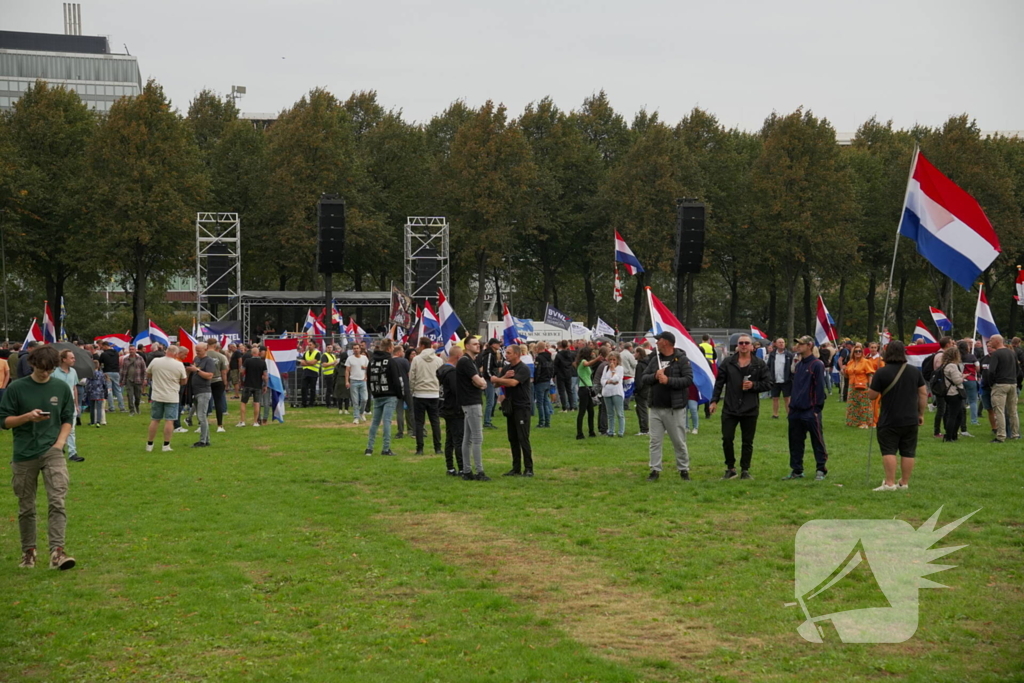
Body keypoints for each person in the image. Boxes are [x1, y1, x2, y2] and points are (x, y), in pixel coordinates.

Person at [0, 345, 76, 570]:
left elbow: (67, 418)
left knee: (57, 501)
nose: (46, 373)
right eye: (42, 369)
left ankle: (57, 553)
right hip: (24, 454)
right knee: (26, 506)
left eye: (50, 370)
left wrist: (59, 444)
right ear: (32, 364)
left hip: (52, 452)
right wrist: (26, 417)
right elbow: (4, 421)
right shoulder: (17, 388)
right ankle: (28, 552)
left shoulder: (61, 387)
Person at [709, 334, 772, 480]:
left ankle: (745, 470)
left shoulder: (759, 364)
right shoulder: (728, 362)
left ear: (751, 346)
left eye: (746, 343)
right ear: (737, 346)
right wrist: (714, 401)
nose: (743, 345)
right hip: (730, 407)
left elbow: (769, 383)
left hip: (750, 408)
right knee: (727, 438)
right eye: (741, 343)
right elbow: (719, 383)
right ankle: (730, 468)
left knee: (747, 441)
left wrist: (754, 385)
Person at [868, 341, 927, 491]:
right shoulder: (914, 371)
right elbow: (923, 394)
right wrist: (921, 413)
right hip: (910, 417)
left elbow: (872, 396)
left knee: (889, 450)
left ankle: (889, 483)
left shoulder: (882, 372)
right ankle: (904, 483)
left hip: (889, 418)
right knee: (908, 451)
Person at [639, 332, 693, 482]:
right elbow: (644, 378)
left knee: (678, 441)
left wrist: (668, 380)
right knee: (654, 441)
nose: (656, 343)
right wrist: (655, 376)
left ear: (667, 343)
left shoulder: (681, 360)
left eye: (659, 340)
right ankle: (655, 470)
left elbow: (688, 380)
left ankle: (683, 469)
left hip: (674, 408)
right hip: (655, 406)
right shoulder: (655, 359)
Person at [783, 336, 828, 481]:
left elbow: (820, 388)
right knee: (795, 441)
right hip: (795, 410)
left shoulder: (817, 364)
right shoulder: (799, 364)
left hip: (810, 410)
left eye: (801, 344)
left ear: (809, 345)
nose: (798, 346)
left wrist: (816, 409)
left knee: (817, 440)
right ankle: (797, 470)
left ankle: (821, 469)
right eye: (797, 343)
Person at [492, 343, 534, 477]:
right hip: (510, 406)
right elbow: (496, 384)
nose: (506, 355)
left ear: (517, 354)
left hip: (522, 406)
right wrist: (502, 377)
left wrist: (498, 379)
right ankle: (516, 468)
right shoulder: (506, 368)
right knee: (512, 438)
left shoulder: (523, 369)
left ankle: (529, 468)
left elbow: (513, 383)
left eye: (509, 353)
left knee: (523, 437)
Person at [457, 337, 489, 480]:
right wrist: (481, 383)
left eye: (479, 344)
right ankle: (479, 471)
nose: (478, 346)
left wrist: (481, 383)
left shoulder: (471, 361)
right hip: (471, 401)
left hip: (470, 401)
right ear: (467, 346)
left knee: (468, 438)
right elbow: (479, 381)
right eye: (475, 344)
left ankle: (467, 470)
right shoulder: (466, 361)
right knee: (477, 438)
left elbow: (481, 382)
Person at [364, 339, 402, 457]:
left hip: (377, 394)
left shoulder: (372, 361)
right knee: (387, 421)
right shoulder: (390, 361)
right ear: (390, 348)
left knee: (375, 422)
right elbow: (396, 380)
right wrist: (399, 394)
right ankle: (386, 448)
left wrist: (373, 392)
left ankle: (369, 448)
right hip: (389, 394)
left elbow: (369, 378)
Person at [409, 337, 444, 456]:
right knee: (435, 422)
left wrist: (412, 389)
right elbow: (442, 376)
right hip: (434, 393)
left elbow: (412, 376)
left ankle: (420, 448)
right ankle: (438, 447)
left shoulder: (416, 359)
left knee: (419, 422)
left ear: (422, 345)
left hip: (419, 393)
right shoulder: (438, 360)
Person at [985, 335, 1021, 443]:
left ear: (996, 341)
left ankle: (1001, 435)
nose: (990, 342)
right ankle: (1015, 434)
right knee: (1013, 411)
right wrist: (1014, 380)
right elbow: (1018, 369)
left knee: (999, 411)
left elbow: (991, 371)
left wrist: (991, 383)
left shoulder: (996, 354)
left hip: (1000, 384)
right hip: (1012, 383)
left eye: (991, 340)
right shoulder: (1012, 352)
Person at [437, 346, 465, 476]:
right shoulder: (453, 373)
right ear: (458, 357)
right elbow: (457, 391)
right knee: (458, 439)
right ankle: (462, 468)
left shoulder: (442, 370)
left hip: (445, 407)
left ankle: (450, 467)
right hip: (455, 409)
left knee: (450, 439)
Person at [52, 349, 84, 462]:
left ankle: (72, 453)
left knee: (71, 429)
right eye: (71, 358)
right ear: (64, 359)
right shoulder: (54, 372)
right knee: (57, 428)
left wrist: (76, 404)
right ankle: (57, 449)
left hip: (70, 405)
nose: (74, 359)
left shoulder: (73, 372)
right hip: (57, 405)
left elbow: (74, 387)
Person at [187, 343, 216, 448]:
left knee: (201, 416)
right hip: (195, 390)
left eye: (199, 350)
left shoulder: (209, 361)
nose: (197, 352)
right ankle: (206, 439)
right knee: (201, 416)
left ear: (206, 349)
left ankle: (203, 441)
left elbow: (209, 376)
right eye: (196, 350)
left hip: (204, 391)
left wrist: (197, 370)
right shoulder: (196, 359)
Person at [843, 344, 876, 429]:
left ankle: (864, 422)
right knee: (852, 405)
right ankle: (853, 422)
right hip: (851, 386)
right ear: (853, 353)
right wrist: (843, 371)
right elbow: (847, 375)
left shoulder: (866, 361)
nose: (858, 353)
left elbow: (870, 374)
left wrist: (870, 386)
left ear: (862, 352)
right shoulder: (850, 362)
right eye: (856, 351)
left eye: (859, 351)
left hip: (862, 385)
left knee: (864, 404)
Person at [938, 345, 965, 442]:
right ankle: (950, 436)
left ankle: (952, 434)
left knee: (956, 414)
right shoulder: (952, 366)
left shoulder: (944, 365)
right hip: (954, 392)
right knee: (954, 415)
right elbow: (957, 380)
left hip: (948, 392)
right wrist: (962, 377)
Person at [238, 346, 267, 427]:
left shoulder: (247, 361)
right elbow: (265, 375)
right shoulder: (262, 362)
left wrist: (241, 381)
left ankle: (242, 421)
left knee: (243, 402)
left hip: (247, 384)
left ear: (251, 353)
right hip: (258, 385)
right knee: (256, 403)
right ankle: (255, 422)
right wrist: (265, 385)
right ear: (258, 353)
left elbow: (241, 371)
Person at [574, 347, 599, 440]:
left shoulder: (581, 362)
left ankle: (591, 431)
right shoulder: (583, 362)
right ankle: (579, 433)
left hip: (588, 388)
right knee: (582, 411)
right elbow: (588, 363)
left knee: (591, 411)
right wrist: (597, 358)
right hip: (584, 389)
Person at [205, 339, 229, 433]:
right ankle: (220, 425)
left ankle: (202, 424)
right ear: (215, 345)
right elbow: (224, 372)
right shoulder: (221, 356)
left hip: (205, 381)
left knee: (204, 403)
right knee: (218, 402)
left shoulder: (203, 355)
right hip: (218, 380)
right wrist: (225, 383)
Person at [601, 351, 626, 438]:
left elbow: (616, 379)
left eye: (614, 360)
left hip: (617, 392)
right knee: (610, 413)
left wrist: (613, 370)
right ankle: (611, 431)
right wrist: (609, 381)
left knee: (619, 413)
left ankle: (621, 431)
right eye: (610, 360)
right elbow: (602, 380)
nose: (612, 361)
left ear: (617, 360)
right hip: (607, 392)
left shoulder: (620, 368)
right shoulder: (605, 368)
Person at [767, 338, 794, 418]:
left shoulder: (789, 355)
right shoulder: (772, 354)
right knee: (775, 398)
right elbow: (768, 366)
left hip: (786, 380)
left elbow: (792, 367)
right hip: (775, 380)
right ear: (776, 344)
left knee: (787, 398)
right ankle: (775, 414)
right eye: (779, 342)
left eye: (783, 342)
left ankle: (789, 414)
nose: (781, 344)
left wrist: (791, 378)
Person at [391, 344, 414, 439]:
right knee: (411, 409)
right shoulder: (404, 361)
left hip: (396, 388)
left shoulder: (390, 362)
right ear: (399, 352)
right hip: (406, 387)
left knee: (399, 411)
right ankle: (412, 430)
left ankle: (400, 431)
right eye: (403, 351)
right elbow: (409, 374)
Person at [958, 340, 980, 436]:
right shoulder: (972, 356)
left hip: (960, 379)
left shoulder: (957, 357)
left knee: (961, 401)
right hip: (971, 379)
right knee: (973, 401)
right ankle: (974, 420)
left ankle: (960, 420)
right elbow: (978, 367)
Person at [479, 338, 502, 429]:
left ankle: (488, 420)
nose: (499, 345)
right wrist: (490, 376)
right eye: (497, 344)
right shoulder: (489, 354)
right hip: (489, 379)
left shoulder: (492, 353)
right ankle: (487, 421)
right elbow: (487, 368)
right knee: (490, 401)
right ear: (493, 344)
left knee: (493, 399)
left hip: (490, 378)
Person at [345, 343, 369, 423]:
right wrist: (347, 381)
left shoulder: (364, 358)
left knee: (364, 399)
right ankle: (356, 417)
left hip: (363, 381)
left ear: (360, 349)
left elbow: (367, 368)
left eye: (357, 348)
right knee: (355, 401)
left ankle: (361, 412)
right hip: (353, 381)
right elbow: (347, 370)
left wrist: (366, 375)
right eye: (354, 348)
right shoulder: (350, 358)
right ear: (352, 350)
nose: (356, 350)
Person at [98, 341, 125, 413]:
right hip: (116, 372)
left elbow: (99, 363)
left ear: (105, 346)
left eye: (102, 347)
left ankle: (112, 408)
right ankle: (122, 407)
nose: (102, 348)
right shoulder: (116, 353)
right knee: (118, 390)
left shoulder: (103, 354)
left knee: (109, 390)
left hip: (107, 373)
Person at [120, 345, 147, 416]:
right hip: (129, 380)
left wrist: (144, 379)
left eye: (133, 349)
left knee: (138, 396)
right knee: (130, 396)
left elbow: (144, 369)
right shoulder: (126, 359)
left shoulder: (140, 358)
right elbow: (122, 370)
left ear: (135, 350)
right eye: (130, 349)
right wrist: (121, 380)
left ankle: (137, 406)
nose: (131, 351)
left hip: (138, 379)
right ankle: (131, 410)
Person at [533, 341, 554, 428]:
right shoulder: (549, 357)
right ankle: (547, 422)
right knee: (546, 402)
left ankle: (541, 421)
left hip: (540, 382)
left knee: (540, 403)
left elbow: (538, 370)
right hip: (547, 381)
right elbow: (552, 369)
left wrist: (536, 380)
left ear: (538, 348)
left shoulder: (539, 358)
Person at [553, 340, 576, 412]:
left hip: (560, 374)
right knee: (569, 390)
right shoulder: (571, 354)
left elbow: (555, 366)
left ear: (560, 346)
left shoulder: (558, 355)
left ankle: (564, 407)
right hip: (569, 373)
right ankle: (572, 407)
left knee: (562, 391)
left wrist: (553, 375)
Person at [299, 339, 321, 408]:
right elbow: (302, 362)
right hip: (305, 372)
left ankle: (311, 403)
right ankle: (304, 403)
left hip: (313, 372)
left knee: (312, 389)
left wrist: (306, 363)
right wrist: (308, 363)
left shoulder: (317, 353)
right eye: (308, 345)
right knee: (303, 388)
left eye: (310, 345)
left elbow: (313, 362)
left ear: (314, 345)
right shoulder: (306, 353)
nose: (309, 346)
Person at [633, 347, 651, 435]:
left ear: (639, 353)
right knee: (643, 409)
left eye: (635, 353)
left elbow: (639, 380)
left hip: (641, 391)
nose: (634, 355)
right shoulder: (647, 364)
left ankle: (644, 429)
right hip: (647, 389)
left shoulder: (640, 365)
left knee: (642, 410)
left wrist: (637, 390)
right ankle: (644, 428)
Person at [84, 361, 107, 427]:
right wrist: (105, 391)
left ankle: (92, 421)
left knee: (92, 408)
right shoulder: (101, 374)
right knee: (99, 408)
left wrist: (86, 392)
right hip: (100, 392)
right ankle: (98, 422)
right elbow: (104, 383)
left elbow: (87, 384)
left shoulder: (89, 374)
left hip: (91, 392)